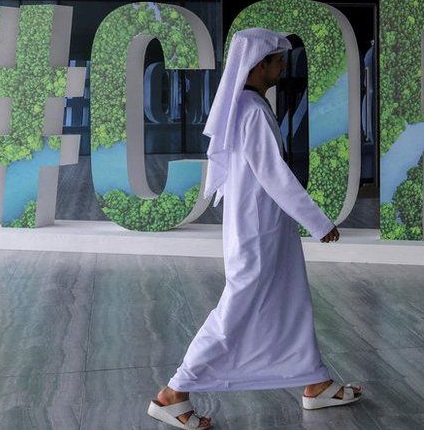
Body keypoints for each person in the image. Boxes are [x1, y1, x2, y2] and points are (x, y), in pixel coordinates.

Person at [146, 28, 362, 429]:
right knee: (237, 310)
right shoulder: (251, 110)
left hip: (264, 227)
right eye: (278, 60)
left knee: (291, 301)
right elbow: (275, 175)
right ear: (259, 65)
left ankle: (315, 383)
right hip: (258, 231)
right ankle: (173, 392)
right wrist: (318, 222)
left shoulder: (245, 106)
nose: (282, 67)